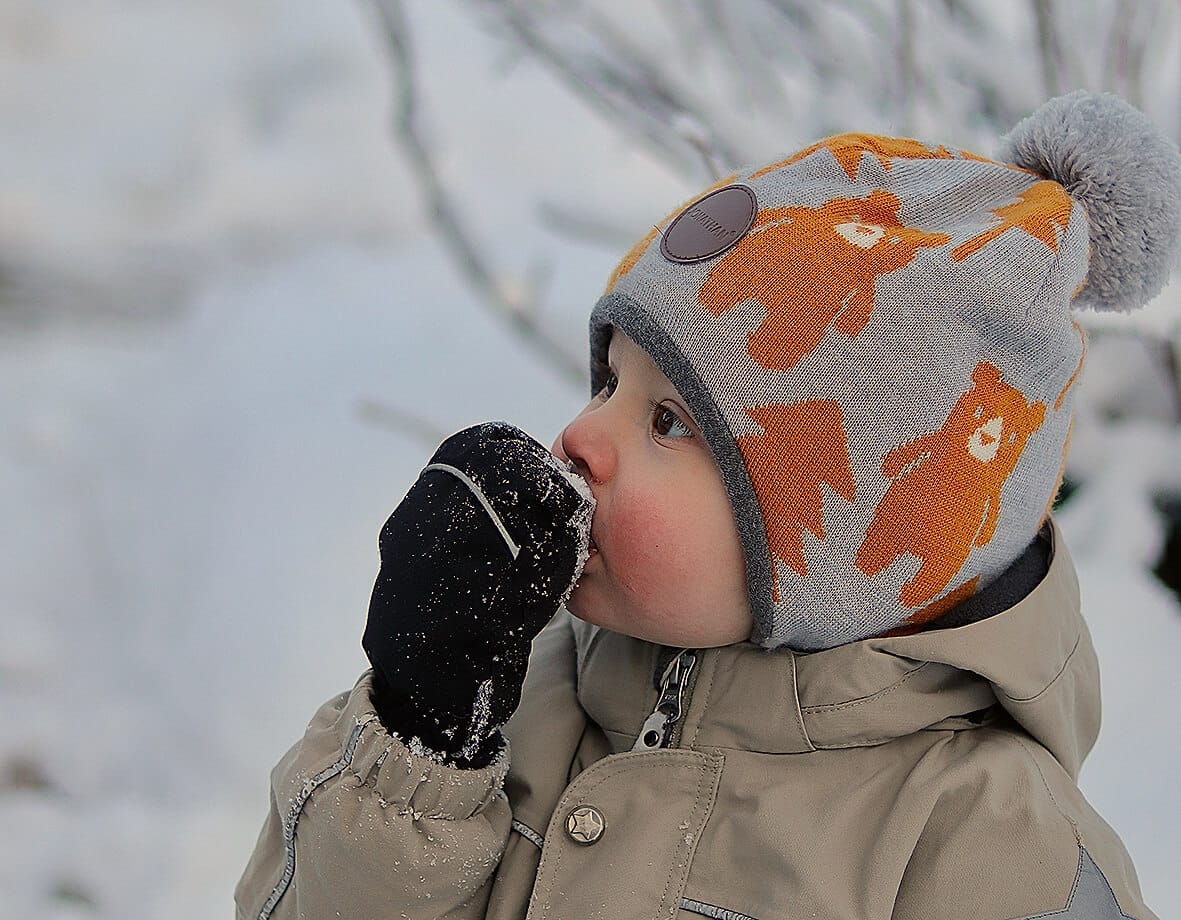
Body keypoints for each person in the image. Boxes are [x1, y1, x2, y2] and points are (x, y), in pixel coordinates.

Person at [235, 91, 1180, 919]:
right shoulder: (525, 688)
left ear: (838, 550)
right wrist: (418, 734)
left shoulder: (985, 839)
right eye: (608, 382)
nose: (580, 434)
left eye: (669, 422)